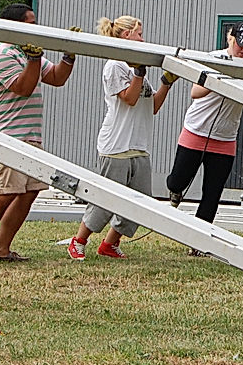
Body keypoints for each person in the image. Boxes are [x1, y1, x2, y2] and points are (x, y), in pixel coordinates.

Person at [0, 3, 75, 265]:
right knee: (5, 191)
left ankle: (2, 249)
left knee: (28, 191)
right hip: (4, 134)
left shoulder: (26, 52)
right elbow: (23, 87)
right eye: (30, 23)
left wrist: (69, 55)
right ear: (13, 25)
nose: (35, 28)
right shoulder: (2, 52)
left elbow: (57, 78)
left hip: (28, 134)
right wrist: (35, 59)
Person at [165, 21, 243, 255]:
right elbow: (195, 92)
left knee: (213, 193)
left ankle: (198, 243)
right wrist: (219, 80)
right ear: (230, 38)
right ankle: (175, 191)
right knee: (178, 180)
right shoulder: (213, 58)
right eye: (240, 44)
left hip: (226, 137)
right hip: (197, 130)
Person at [67, 15, 177, 261]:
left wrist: (165, 84)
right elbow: (128, 98)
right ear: (126, 35)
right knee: (106, 199)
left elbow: (152, 106)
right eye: (139, 34)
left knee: (139, 202)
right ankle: (79, 240)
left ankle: (109, 244)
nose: (143, 39)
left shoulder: (136, 68)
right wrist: (138, 72)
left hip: (139, 144)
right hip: (116, 144)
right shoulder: (115, 65)